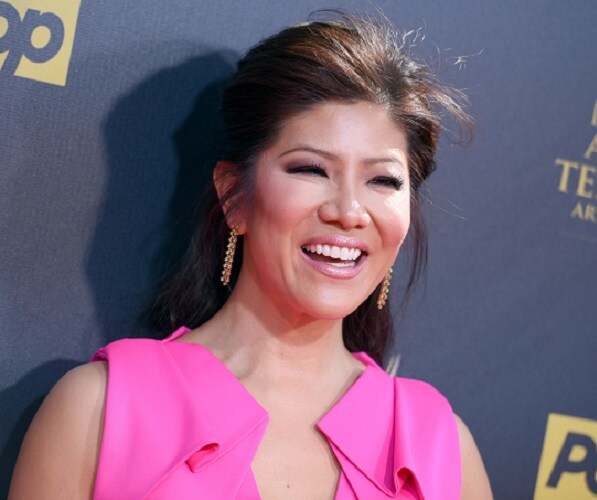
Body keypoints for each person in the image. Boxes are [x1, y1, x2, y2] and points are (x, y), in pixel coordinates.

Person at [9, 12, 493, 499]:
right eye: (311, 170)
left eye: (383, 180)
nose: (349, 212)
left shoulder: (442, 449)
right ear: (234, 197)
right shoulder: (100, 410)